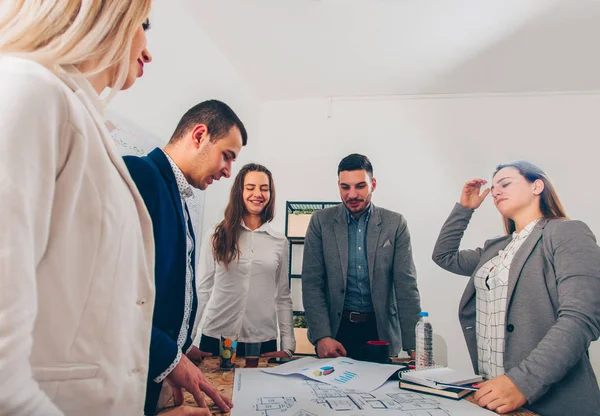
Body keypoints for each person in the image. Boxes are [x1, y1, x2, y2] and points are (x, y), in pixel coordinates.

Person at [0, 1, 160, 414]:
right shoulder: (30, 90)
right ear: (103, 15)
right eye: (143, 23)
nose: (148, 49)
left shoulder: (82, 116)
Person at [432, 161, 600, 415]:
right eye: (494, 186)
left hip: (549, 401)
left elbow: (581, 317)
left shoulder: (566, 232)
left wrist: (522, 382)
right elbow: (443, 255)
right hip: (497, 399)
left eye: (506, 183)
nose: (496, 191)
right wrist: (465, 209)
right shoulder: (495, 248)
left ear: (537, 186)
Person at [123, 100, 247, 415]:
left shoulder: (178, 195)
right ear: (200, 135)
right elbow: (114, 295)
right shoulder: (140, 176)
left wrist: (181, 345)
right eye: (227, 156)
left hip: (158, 368)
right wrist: (168, 355)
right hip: (130, 371)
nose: (227, 171)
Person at [301, 153, 421, 360]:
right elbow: (312, 283)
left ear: (373, 184)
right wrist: (322, 336)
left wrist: (415, 346)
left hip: (380, 331)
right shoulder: (320, 222)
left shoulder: (395, 223)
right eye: (345, 187)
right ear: (338, 185)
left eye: (360, 186)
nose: (352, 194)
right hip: (336, 332)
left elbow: (406, 286)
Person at [195, 163, 295, 359]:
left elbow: (283, 296)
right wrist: (187, 341)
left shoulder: (279, 242)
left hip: (262, 342)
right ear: (239, 191)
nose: (257, 194)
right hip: (217, 338)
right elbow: (202, 289)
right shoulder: (215, 235)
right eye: (250, 188)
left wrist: (288, 345)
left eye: (264, 189)